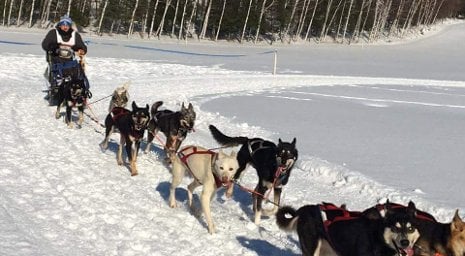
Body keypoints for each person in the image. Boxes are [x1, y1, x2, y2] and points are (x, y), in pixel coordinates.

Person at [42, 15, 90, 96]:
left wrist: (82, 50)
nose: (65, 27)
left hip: (69, 61)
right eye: (63, 25)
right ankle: (57, 87)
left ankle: (80, 88)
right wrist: (52, 47)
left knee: (78, 71)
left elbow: (82, 46)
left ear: (70, 26)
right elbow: (45, 44)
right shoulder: (53, 33)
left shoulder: (75, 35)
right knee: (59, 70)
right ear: (60, 25)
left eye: (67, 25)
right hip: (56, 59)